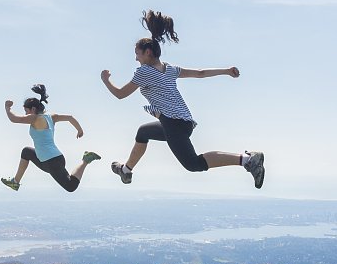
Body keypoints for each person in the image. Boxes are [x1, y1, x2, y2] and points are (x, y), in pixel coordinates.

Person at [100, 10, 265, 189]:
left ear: (147, 52)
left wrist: (106, 80)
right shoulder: (169, 69)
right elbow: (200, 73)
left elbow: (120, 94)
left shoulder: (144, 72)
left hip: (173, 124)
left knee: (193, 164)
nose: (135, 58)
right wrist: (226, 70)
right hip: (183, 122)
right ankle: (126, 170)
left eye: (137, 54)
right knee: (143, 132)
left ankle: (248, 160)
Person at [0, 83, 100, 192]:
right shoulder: (51, 117)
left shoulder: (34, 118)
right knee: (26, 152)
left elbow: (14, 119)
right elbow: (70, 117)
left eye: (26, 111)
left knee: (71, 186)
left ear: (33, 109)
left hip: (52, 161)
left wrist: (7, 108)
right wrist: (80, 130)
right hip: (50, 160)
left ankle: (85, 160)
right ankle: (15, 182)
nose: (25, 114)